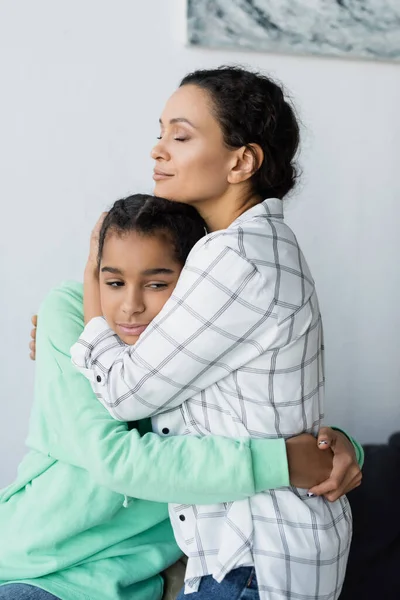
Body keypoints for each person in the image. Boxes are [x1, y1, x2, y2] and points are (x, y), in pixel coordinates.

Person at [18, 65, 362, 600]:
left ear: (242, 161)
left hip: (254, 557)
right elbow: (250, 397)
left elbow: (128, 392)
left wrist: (87, 320)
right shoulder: (242, 253)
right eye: (159, 134)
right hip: (232, 554)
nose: (157, 151)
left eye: (180, 136)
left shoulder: (234, 259)